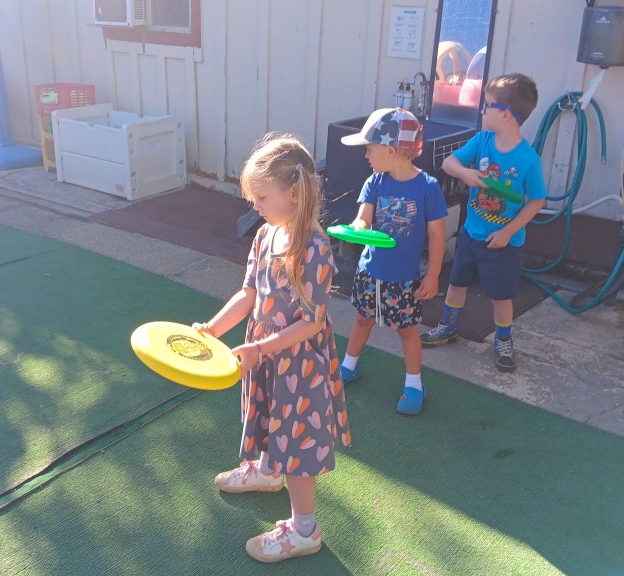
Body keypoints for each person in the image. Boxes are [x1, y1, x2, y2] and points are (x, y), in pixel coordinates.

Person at [193, 133, 350, 563]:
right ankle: (266, 472)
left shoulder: (314, 248)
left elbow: (311, 322)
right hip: (266, 353)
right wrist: (213, 328)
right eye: (253, 199)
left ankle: (304, 529)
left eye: (262, 197)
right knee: (266, 417)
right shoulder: (265, 235)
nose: (255, 206)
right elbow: (248, 294)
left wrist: (260, 348)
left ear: (294, 193)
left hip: (298, 364)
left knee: (296, 443)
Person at [420, 73, 547, 372]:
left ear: (505, 115)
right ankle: (448, 326)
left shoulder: (527, 159)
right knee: (456, 283)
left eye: (487, 105)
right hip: (471, 233)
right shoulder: (482, 141)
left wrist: (508, 232)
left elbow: (537, 201)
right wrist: (466, 173)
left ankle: (503, 340)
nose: (481, 110)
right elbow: (448, 163)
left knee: (501, 297)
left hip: (503, 244)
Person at [337, 107, 448, 416]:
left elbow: (437, 235)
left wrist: (433, 274)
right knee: (363, 319)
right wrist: (356, 228)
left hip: (404, 278)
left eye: (370, 149)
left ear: (391, 150)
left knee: (407, 330)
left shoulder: (428, 187)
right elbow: (363, 218)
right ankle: (349, 366)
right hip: (370, 272)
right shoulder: (375, 182)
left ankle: (414, 384)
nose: (366, 156)